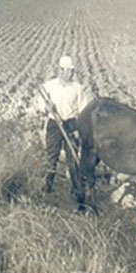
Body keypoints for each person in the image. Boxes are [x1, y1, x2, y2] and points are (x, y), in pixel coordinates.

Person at [36, 55, 92, 192]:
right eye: (67, 71)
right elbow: (39, 104)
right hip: (54, 123)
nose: (70, 74)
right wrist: (46, 108)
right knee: (52, 155)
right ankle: (47, 186)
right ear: (60, 70)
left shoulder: (78, 88)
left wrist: (79, 128)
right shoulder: (49, 86)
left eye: (72, 71)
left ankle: (76, 188)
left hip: (72, 124)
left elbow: (83, 110)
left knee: (72, 156)